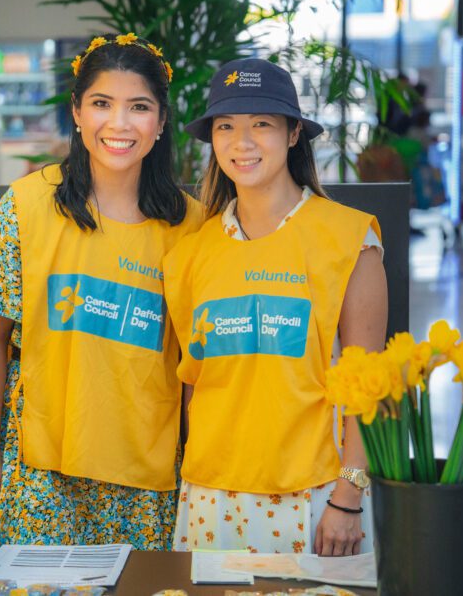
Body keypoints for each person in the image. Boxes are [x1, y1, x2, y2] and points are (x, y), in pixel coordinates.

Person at [0, 33, 203, 549]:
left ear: (161, 122)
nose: (118, 124)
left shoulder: (194, 226)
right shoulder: (26, 206)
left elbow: (198, 368)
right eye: (101, 104)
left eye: (138, 107)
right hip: (40, 474)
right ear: (76, 113)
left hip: (148, 481)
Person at [164, 58, 387, 556]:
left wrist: (349, 495)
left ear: (292, 135)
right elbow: (192, 386)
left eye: (261, 124)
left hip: (314, 499)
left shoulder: (350, 239)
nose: (242, 142)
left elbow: (369, 388)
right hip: (209, 500)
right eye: (226, 126)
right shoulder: (192, 253)